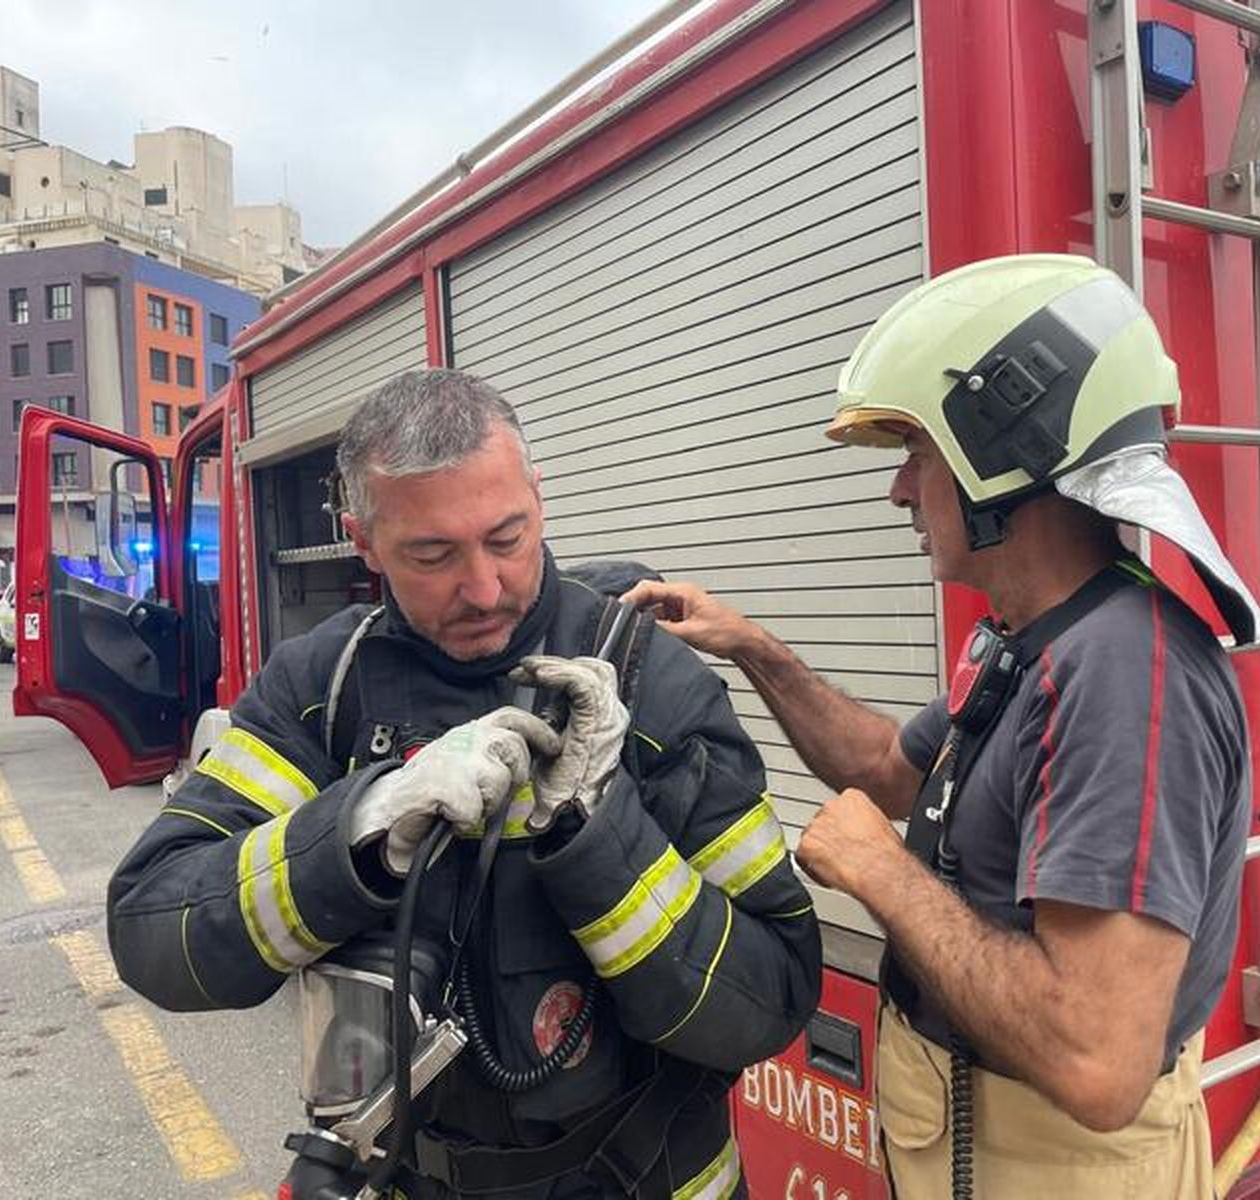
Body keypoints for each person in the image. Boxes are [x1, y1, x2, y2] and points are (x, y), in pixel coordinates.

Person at [625, 255, 1260, 1199]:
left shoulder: (1125, 678)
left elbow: (1097, 1061)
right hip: (977, 1135)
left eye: (916, 455)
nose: (898, 493)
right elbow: (892, 767)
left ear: (1002, 453)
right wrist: (752, 646)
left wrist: (883, 873)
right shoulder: (1036, 639)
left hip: (1053, 1165)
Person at [107, 368, 821, 1199]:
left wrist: (599, 840)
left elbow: (770, 1001)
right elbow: (152, 935)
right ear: (364, 542)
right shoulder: (320, 688)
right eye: (433, 555)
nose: (483, 589)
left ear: (539, 499)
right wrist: (362, 828)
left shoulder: (651, 683)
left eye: (507, 539)